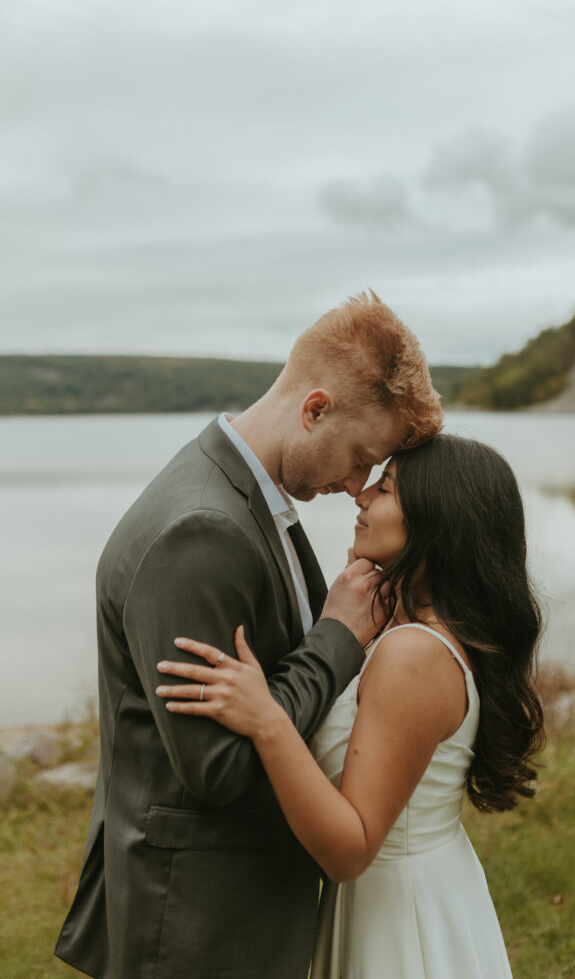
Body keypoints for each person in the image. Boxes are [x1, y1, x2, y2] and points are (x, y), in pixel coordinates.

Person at [54, 292, 443, 979]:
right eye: (360, 457)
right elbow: (218, 768)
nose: (357, 485)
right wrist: (337, 639)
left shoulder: (251, 500)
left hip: (224, 909)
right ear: (314, 408)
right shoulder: (200, 531)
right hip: (197, 924)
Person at [156, 432, 546, 978]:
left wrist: (268, 719)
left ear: (436, 522)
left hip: (397, 919)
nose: (360, 496)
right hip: (408, 891)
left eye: (384, 489)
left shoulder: (413, 654)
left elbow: (350, 851)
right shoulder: (415, 632)